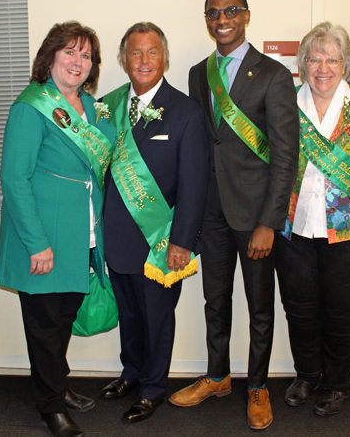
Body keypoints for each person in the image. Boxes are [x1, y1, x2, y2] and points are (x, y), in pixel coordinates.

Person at [168, 0, 298, 430]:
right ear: (206, 21)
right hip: (212, 212)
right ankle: (218, 375)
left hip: (255, 215)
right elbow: (205, 145)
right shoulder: (196, 74)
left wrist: (269, 222)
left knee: (260, 306)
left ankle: (258, 385)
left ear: (246, 16)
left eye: (231, 11)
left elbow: (285, 155)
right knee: (213, 300)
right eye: (213, 13)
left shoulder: (273, 74)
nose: (221, 19)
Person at [0, 21, 116, 437]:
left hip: (80, 234)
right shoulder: (31, 106)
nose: (78, 61)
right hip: (43, 239)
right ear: (50, 57)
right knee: (45, 327)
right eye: (70, 52)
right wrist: (37, 244)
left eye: (86, 55)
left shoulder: (92, 109)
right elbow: (14, 179)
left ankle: (56, 386)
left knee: (63, 318)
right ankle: (50, 407)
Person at [99, 22, 209, 424]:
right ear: (122, 60)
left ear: (164, 58)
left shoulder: (186, 112)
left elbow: (196, 185)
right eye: (135, 53)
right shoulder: (105, 108)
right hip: (116, 236)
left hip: (162, 241)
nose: (143, 60)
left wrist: (182, 240)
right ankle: (131, 373)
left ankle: (153, 388)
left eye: (152, 52)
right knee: (128, 314)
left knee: (157, 318)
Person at [273, 22, 350, 417]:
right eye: (313, 59)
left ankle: (337, 383)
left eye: (331, 59)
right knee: (298, 308)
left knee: (343, 310)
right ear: (301, 64)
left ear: (345, 64)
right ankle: (307, 374)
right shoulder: (283, 100)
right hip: (293, 230)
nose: (322, 67)